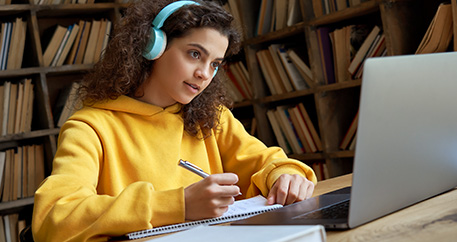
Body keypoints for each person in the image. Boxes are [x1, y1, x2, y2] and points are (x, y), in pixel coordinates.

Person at [32, 0, 317, 241]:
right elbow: (56, 217)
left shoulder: (213, 117)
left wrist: (285, 176)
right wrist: (177, 205)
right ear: (151, 47)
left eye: (215, 64)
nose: (205, 73)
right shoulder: (90, 128)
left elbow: (266, 160)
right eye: (195, 54)